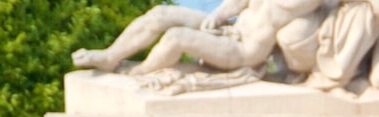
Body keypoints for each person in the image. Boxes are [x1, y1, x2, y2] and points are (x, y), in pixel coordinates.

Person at [71, 0, 327, 75]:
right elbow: (238, 3)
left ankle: (139, 71)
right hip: (231, 30)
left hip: (244, 51)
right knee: (161, 14)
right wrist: (217, 16)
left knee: (176, 37)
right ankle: (110, 56)